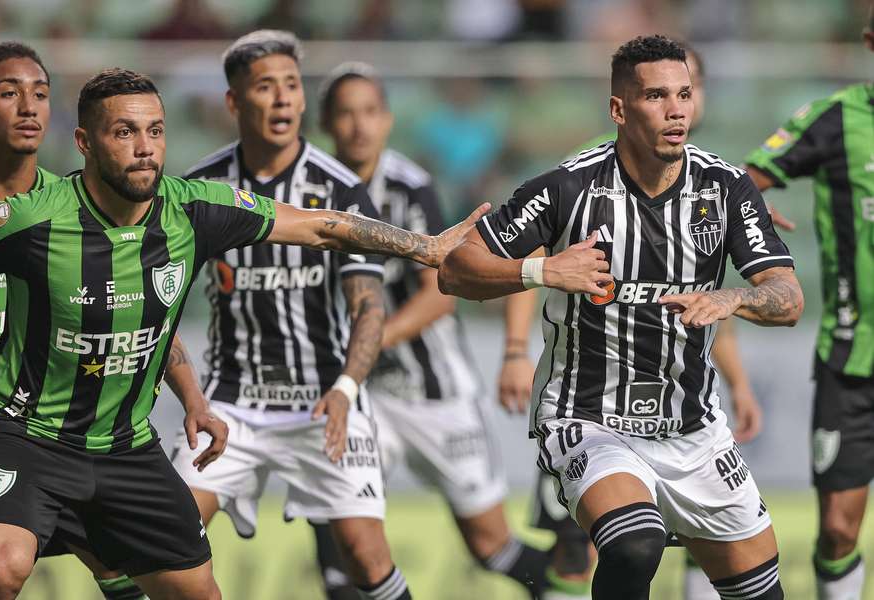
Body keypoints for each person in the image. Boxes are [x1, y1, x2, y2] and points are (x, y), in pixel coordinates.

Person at [0, 65, 487, 600]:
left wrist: (424, 247)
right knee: (1, 563)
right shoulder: (27, 221)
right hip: (27, 436)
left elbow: (315, 225)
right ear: (84, 142)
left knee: (199, 592)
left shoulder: (194, 209)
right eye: (124, 132)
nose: (144, 147)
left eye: (155, 130)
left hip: (125, 445)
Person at [438, 35, 803, 600]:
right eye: (656, 96)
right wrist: (542, 273)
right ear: (618, 109)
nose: (676, 109)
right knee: (635, 543)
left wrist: (734, 299)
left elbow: (788, 295)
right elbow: (458, 268)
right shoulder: (568, 188)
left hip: (693, 430)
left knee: (762, 594)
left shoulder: (726, 187)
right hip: (589, 420)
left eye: (683, 93)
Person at [169, 30, 408, 600]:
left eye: (292, 87)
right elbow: (165, 306)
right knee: (167, 543)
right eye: (265, 87)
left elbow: (367, 304)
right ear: (233, 101)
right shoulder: (198, 189)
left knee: (365, 557)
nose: (281, 100)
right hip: (232, 401)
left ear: (303, 100)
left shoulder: (341, 189)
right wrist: (193, 399)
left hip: (324, 398)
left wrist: (348, 387)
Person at [315, 61, 550, 598]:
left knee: (492, 546)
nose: (359, 126)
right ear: (327, 122)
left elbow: (438, 299)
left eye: (370, 112)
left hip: (433, 389)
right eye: (346, 114)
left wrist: (368, 344)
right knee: (345, 542)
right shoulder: (309, 193)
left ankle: (563, 587)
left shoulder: (410, 187)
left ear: (388, 120)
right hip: (358, 396)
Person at [0, 41, 184, 600]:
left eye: (40, 94)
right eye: (8, 92)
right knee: (3, 564)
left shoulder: (72, 203)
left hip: (46, 430)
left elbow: (134, 308)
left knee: (116, 562)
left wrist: (196, 399)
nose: (28, 108)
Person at [743, 8, 874, 599]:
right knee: (840, 529)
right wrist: (744, 208)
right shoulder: (835, 118)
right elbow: (747, 177)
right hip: (853, 359)